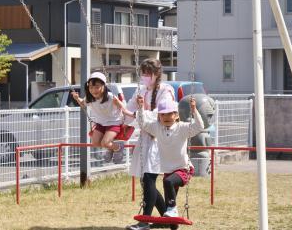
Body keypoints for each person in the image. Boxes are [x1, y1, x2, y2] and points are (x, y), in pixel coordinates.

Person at [126, 58, 176, 230]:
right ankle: (167, 220)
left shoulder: (165, 90)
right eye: (143, 73)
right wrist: (128, 113)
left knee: (149, 178)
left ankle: (144, 221)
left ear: (156, 74)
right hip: (145, 139)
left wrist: (141, 112)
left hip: (158, 139)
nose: (145, 76)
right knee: (146, 180)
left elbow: (161, 114)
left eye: (148, 73)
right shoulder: (141, 89)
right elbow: (130, 109)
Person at [137, 97, 204, 218]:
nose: (166, 117)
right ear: (159, 117)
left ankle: (173, 208)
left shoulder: (182, 128)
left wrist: (194, 110)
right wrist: (140, 107)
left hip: (184, 169)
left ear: (177, 115)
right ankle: (172, 221)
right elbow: (142, 123)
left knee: (168, 183)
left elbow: (199, 127)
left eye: (170, 114)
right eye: (163, 115)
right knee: (169, 207)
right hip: (169, 172)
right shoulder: (157, 128)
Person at [72, 71, 135, 164]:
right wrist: (77, 98)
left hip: (114, 123)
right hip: (101, 123)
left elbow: (123, 109)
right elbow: (83, 104)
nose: (94, 90)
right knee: (95, 143)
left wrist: (134, 115)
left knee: (105, 143)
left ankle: (118, 147)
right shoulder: (90, 98)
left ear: (104, 86)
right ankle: (111, 148)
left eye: (97, 87)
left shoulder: (111, 97)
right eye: (91, 87)